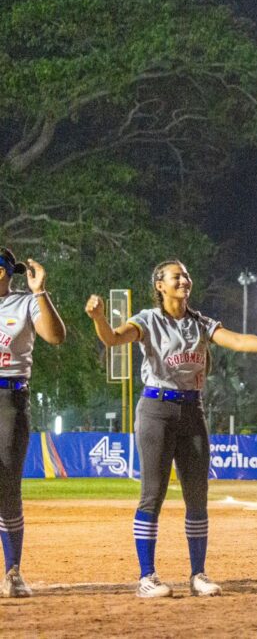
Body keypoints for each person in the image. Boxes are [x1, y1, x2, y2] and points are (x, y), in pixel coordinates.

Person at [86, 260, 257, 598]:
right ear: (159, 285)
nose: (184, 280)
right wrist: (98, 318)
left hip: (192, 410)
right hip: (156, 409)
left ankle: (198, 574)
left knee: (197, 496)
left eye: (186, 275)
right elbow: (113, 339)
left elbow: (238, 341)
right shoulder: (148, 319)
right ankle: (147, 576)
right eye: (176, 276)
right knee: (152, 495)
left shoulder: (200, 322)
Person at [0, 249, 65, 598]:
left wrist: (40, 293)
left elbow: (55, 336)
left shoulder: (24, 303)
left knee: (7, 487)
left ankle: (12, 572)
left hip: (8, 399)